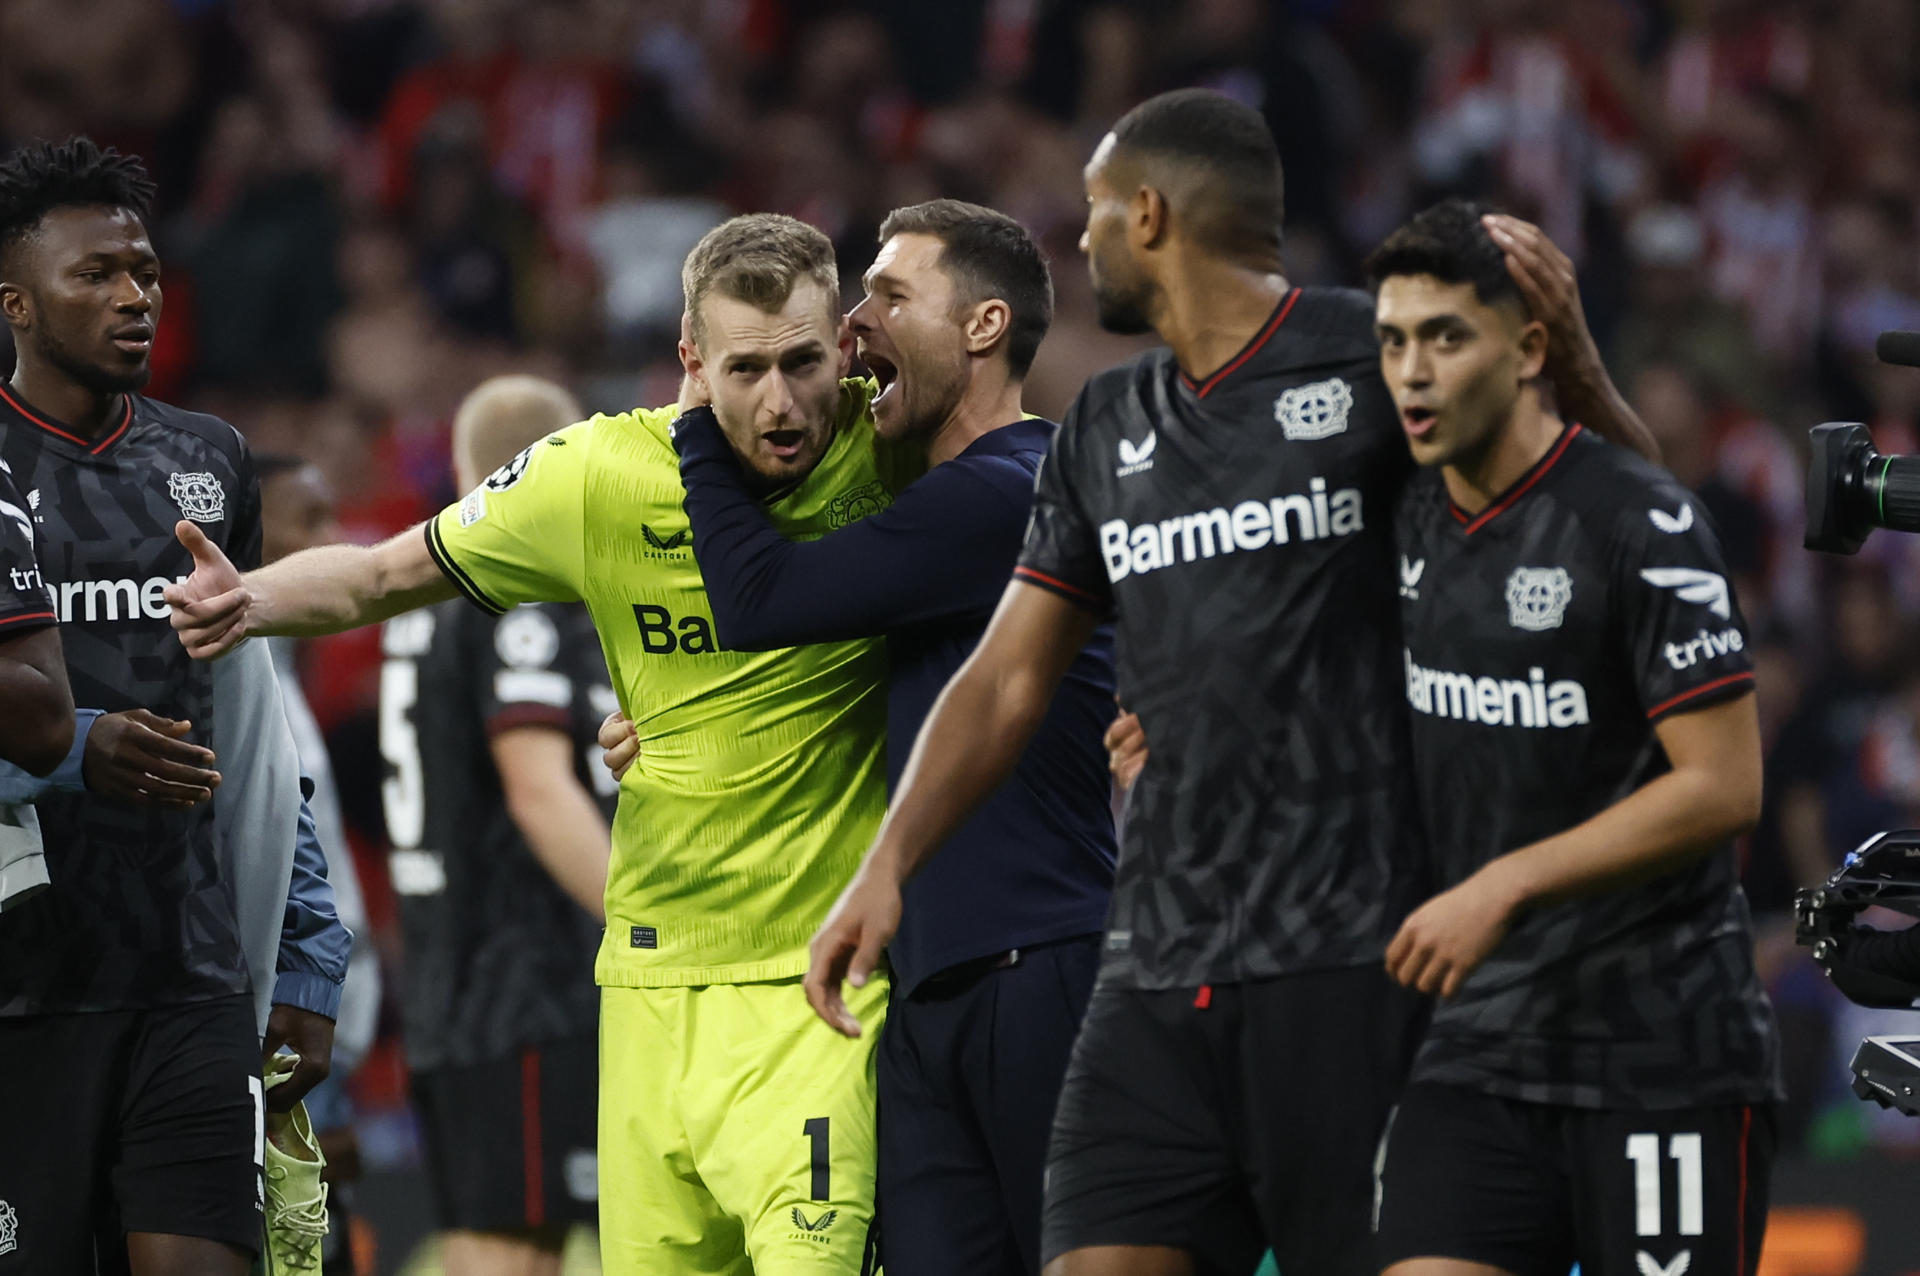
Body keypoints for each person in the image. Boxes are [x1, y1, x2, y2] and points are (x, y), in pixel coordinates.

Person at [804, 90, 1655, 1276]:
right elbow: (1005, 678)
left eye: (1095, 213)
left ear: (1149, 214)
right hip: (1158, 967)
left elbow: (1631, 545)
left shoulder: (1379, 357)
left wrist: (1579, 376)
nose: (1081, 238)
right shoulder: (1106, 422)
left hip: (1357, 960)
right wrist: (887, 867)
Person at [165, 213, 916, 1274]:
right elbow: (382, 573)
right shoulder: (600, 476)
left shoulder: (899, 457)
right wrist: (246, 597)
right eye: (748, 368)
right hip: (646, 996)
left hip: (819, 992)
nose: (782, 402)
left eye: (804, 361)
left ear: (844, 345)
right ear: (692, 361)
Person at [607, 198, 1117, 1276]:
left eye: (888, 295)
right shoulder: (935, 510)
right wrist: (670, 719)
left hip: (1040, 967)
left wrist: (699, 415)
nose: (855, 325)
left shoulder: (1010, 485)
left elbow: (760, 599)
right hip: (930, 985)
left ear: (981, 328)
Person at [1366, 199, 1781, 1276]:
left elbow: (1725, 788)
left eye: (1446, 338)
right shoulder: (1400, 516)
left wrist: (1501, 883)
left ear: (1530, 349)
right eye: (1394, 340)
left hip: (1664, 1051)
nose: (1412, 371)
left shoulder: (1641, 520)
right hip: (1478, 1046)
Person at [0, 136, 348, 1276]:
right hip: (24, 979)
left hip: (191, 972)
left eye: (143, 271)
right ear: (16, 303)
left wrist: (305, 958)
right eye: (93, 276)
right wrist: (69, 754)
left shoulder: (210, 463)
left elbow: (256, 729)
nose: (132, 297)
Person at [382, 375, 612, 1275]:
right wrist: (650, 928)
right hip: (527, 983)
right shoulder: (512, 591)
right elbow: (538, 789)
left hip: (450, 983)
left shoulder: (423, 595)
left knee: (489, 1244)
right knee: (520, 1251)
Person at [256, 452, 384, 1276]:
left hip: (325, 1033)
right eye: (308, 522)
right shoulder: (239, 688)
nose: (334, 541)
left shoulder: (287, 676)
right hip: (287, 1036)